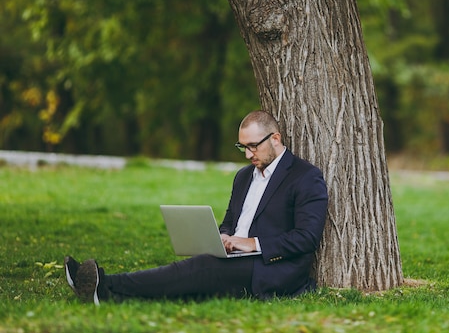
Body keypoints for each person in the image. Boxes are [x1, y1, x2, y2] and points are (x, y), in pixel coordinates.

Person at [64, 110, 328, 304]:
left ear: (276, 139)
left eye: (252, 146)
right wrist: (224, 237)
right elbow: (229, 221)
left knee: (198, 269)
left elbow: (306, 238)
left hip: (271, 269)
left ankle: (106, 283)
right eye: (242, 147)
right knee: (192, 279)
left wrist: (252, 243)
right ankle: (109, 294)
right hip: (236, 259)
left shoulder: (305, 177)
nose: (248, 155)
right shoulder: (244, 177)